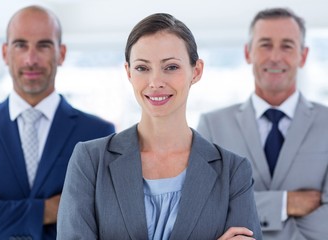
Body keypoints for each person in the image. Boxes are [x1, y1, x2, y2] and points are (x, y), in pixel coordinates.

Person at [57, 13, 262, 240]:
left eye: (171, 67)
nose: (155, 82)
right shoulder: (90, 161)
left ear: (196, 71)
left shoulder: (233, 171)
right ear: (128, 72)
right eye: (142, 68)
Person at [0, 5, 115, 239]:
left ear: (62, 53)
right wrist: (49, 210)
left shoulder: (99, 133)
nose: (31, 59)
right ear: (5, 53)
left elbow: (101, 224)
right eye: (20, 45)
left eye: (44, 45)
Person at [197, 7, 328, 240]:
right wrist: (285, 204)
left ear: (304, 55)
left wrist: (241, 208)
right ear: (248, 53)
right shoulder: (212, 126)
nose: (275, 57)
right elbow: (204, 210)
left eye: (287, 46)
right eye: (265, 45)